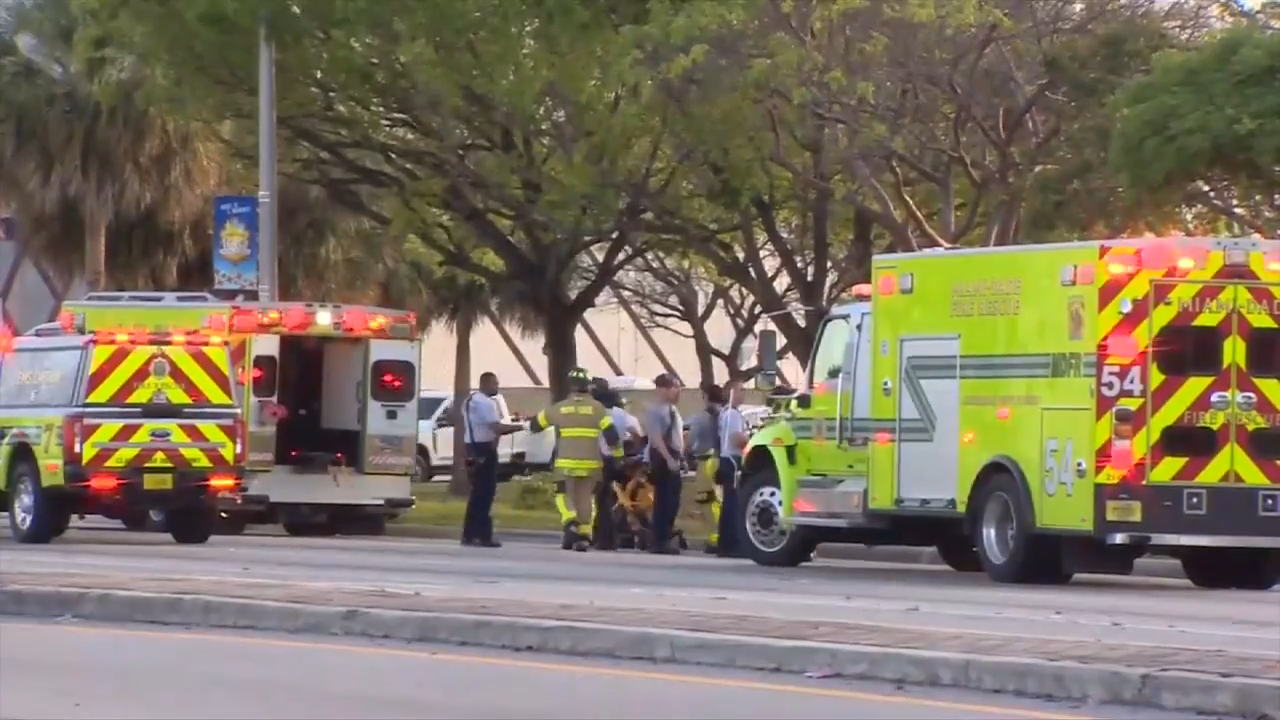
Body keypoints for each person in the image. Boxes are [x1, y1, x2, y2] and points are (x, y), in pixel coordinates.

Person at [529, 367, 622, 551]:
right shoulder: (598, 409)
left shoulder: (560, 408)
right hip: (591, 463)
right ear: (588, 387)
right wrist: (618, 458)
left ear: (570, 386)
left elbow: (535, 426)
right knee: (587, 499)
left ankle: (570, 520)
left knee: (563, 494)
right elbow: (612, 436)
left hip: (565, 462)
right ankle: (584, 535)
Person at [460, 372, 524, 548]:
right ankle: (483, 535)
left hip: (471, 448)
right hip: (484, 449)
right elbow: (497, 428)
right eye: (495, 383)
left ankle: (469, 534)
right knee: (485, 495)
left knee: (476, 495)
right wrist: (521, 426)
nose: (497, 386)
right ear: (485, 383)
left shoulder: (469, 401)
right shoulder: (487, 404)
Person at [590, 379, 638, 550]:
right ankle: (623, 534)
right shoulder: (622, 415)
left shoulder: (594, 413)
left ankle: (603, 538)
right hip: (618, 463)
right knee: (619, 500)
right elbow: (637, 434)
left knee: (602, 501)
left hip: (598, 460)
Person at [643, 373, 685, 555]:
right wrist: (668, 458)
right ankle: (659, 540)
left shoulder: (672, 410)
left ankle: (665, 536)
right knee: (665, 501)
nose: (677, 391)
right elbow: (656, 437)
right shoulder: (656, 410)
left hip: (674, 456)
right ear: (662, 389)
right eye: (673, 387)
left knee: (673, 500)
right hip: (664, 458)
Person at [687, 383, 724, 553]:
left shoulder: (702, 418)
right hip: (723, 461)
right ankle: (722, 535)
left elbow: (691, 440)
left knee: (706, 501)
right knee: (720, 500)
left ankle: (714, 537)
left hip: (706, 462)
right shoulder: (726, 415)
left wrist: (688, 453)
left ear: (706, 397)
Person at [715, 379, 749, 558]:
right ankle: (732, 544)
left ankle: (726, 544)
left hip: (727, 459)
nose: (744, 393)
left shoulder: (726, 413)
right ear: (731, 392)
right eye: (740, 390)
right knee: (733, 504)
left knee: (729, 503)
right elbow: (737, 440)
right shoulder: (732, 415)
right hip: (733, 460)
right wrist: (752, 440)